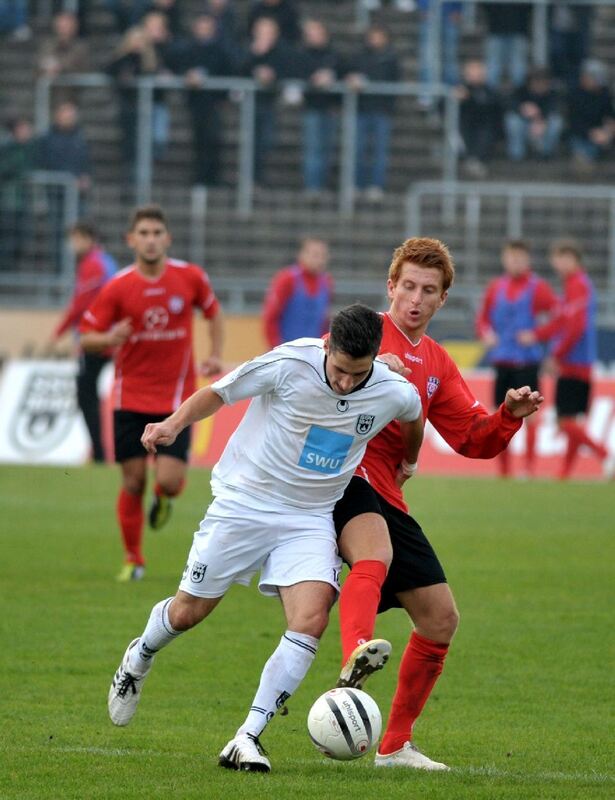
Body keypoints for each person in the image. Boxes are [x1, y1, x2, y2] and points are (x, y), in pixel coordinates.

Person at [106, 303, 424, 773]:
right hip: (244, 504)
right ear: (326, 346)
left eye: (357, 375)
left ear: (374, 360)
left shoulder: (390, 389)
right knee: (187, 611)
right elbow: (219, 392)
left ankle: (247, 736)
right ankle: (141, 653)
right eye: (338, 370)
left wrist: (409, 462)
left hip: (310, 517)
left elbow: (413, 416)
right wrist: (173, 425)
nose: (344, 384)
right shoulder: (290, 363)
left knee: (311, 618)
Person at [332, 237, 544, 771]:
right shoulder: (362, 332)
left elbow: (473, 438)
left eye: (429, 290)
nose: (415, 299)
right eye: (407, 286)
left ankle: (394, 746)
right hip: (338, 477)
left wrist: (508, 416)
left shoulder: (436, 362)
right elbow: (322, 384)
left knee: (440, 618)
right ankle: (352, 659)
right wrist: (371, 372)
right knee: (368, 560)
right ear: (390, 286)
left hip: (386, 493)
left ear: (443, 299)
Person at [79, 205, 224, 581]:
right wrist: (109, 338)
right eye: (143, 233)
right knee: (132, 482)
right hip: (129, 400)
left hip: (175, 400)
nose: (151, 239)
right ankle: (133, 558)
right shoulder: (118, 287)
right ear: (131, 240)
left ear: (167, 238)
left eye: (157, 232)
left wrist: (214, 355)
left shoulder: (189, 277)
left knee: (172, 481)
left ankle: (163, 497)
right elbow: (87, 335)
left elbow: (213, 312)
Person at [518, 240, 612, 480]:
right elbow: (561, 323)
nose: (558, 264)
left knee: (564, 421)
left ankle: (604, 455)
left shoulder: (578, 285)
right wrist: (538, 335)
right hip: (578, 361)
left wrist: (556, 355)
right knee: (572, 420)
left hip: (575, 361)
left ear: (574, 260)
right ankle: (564, 473)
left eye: (563, 258)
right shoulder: (573, 285)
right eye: (557, 259)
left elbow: (574, 326)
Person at [476, 239, 558, 477]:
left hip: (527, 363)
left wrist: (537, 335)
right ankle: (504, 472)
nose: (515, 262)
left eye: (520, 258)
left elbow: (558, 317)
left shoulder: (538, 288)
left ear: (527, 260)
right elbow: (482, 319)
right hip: (502, 362)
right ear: (505, 259)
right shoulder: (496, 287)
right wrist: (486, 334)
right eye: (511, 257)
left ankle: (529, 469)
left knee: (531, 416)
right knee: (498, 416)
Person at [48, 222, 118, 463]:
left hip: (97, 341)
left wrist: (58, 332)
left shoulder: (92, 265)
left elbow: (81, 305)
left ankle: (99, 454)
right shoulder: (104, 261)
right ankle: (100, 452)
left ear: (88, 239)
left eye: (75, 239)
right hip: (106, 338)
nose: (72, 245)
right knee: (91, 393)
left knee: (86, 393)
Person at [173, 14, 233, 187]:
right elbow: (179, 66)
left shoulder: (220, 51)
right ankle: (200, 177)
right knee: (199, 140)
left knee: (213, 140)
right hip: (196, 103)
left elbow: (227, 71)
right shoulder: (188, 50)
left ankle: (212, 177)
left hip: (213, 103)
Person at [346, 23, 400, 200]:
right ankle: (357, 184)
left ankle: (376, 185)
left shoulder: (391, 58)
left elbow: (393, 82)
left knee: (379, 152)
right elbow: (347, 72)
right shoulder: (359, 57)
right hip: (361, 108)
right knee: (358, 149)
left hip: (382, 110)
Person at [297, 18, 342, 193]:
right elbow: (298, 74)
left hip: (329, 108)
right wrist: (312, 80)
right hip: (312, 107)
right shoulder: (303, 55)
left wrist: (332, 78)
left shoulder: (334, 55)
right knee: (313, 149)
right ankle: (312, 186)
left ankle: (322, 184)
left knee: (327, 149)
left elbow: (343, 71)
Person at [262, 237, 333, 347]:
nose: (320, 260)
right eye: (315, 255)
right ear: (302, 255)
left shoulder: (327, 282)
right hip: (287, 350)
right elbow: (270, 317)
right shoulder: (286, 279)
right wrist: (276, 349)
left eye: (323, 256)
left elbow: (324, 321)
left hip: (313, 352)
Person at [504, 68, 564, 162]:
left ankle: (546, 154)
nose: (539, 86)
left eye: (543, 83)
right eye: (536, 83)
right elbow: (509, 103)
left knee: (556, 122)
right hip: (524, 124)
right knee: (512, 120)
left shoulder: (553, 93)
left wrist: (541, 119)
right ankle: (517, 155)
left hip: (543, 126)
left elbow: (555, 108)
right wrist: (522, 108)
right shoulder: (521, 90)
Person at [456, 58, 502, 178]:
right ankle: (469, 160)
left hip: (485, 127)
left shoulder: (490, 91)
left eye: (478, 73)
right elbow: (442, 108)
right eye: (472, 73)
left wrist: (470, 99)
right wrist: (454, 100)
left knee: (485, 133)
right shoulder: (458, 90)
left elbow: (494, 108)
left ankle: (475, 161)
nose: (475, 77)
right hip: (463, 126)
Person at [567, 59, 615, 175]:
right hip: (581, 134)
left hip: (600, 134)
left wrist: (607, 130)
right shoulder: (575, 95)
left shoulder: (604, 94)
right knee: (581, 147)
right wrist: (591, 133)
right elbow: (574, 122)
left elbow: (609, 116)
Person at [0, 116, 35, 268]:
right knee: (7, 236)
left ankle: (12, 267)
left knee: (20, 236)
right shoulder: (7, 148)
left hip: (22, 199)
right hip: (8, 199)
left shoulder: (30, 148)